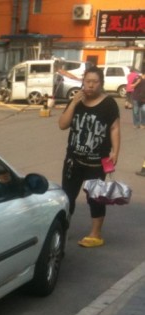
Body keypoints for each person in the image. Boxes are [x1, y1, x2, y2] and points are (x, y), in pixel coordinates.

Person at [58, 65, 121, 248]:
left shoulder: (109, 104)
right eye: (87, 81)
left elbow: (115, 128)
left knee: (95, 198)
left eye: (95, 82)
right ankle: (62, 229)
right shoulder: (76, 101)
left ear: (101, 83)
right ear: (82, 82)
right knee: (67, 196)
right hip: (74, 160)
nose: (90, 85)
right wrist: (74, 103)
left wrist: (115, 151)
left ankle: (96, 234)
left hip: (97, 161)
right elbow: (62, 124)